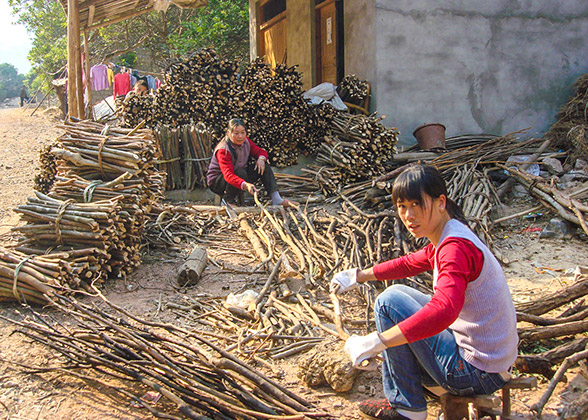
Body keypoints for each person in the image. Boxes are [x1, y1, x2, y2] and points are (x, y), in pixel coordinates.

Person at [330, 164, 518, 420]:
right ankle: (408, 399)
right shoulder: (450, 235)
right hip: (492, 365)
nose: (408, 215)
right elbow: (410, 263)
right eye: (402, 206)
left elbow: (444, 310)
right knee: (396, 294)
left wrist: (377, 342)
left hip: (475, 372)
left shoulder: (454, 248)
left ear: (441, 202)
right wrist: (357, 276)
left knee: (388, 302)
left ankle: (407, 407)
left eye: (417, 204)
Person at [206, 118, 298, 207]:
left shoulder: (246, 142)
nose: (240, 136)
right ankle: (227, 201)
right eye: (236, 133)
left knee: (264, 166)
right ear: (228, 133)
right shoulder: (223, 150)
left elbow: (261, 152)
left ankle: (276, 199)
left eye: (243, 132)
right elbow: (228, 175)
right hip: (218, 181)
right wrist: (245, 184)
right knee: (240, 173)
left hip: (239, 176)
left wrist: (261, 159)